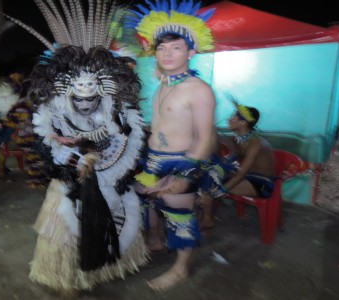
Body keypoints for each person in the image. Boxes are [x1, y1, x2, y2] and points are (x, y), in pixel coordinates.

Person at [6, 1, 149, 296]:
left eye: (93, 83)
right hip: (72, 179)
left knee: (117, 216)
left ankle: (108, 268)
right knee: (68, 224)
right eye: (78, 84)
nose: (85, 95)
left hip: (110, 175)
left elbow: (129, 139)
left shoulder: (118, 107)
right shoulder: (52, 110)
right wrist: (72, 163)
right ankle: (66, 276)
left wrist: (112, 161)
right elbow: (47, 145)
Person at [128, 0, 218, 291]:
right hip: (154, 158)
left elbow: (206, 138)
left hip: (183, 161)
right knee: (145, 197)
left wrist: (184, 177)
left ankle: (180, 269)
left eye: (176, 48)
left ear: (191, 52)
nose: (167, 54)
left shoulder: (199, 90)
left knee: (180, 216)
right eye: (162, 48)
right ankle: (155, 239)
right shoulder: (163, 81)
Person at [198, 104, 276, 231]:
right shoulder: (238, 138)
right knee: (209, 174)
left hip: (262, 183)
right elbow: (237, 155)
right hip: (248, 177)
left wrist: (217, 193)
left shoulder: (256, 143)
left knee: (212, 184)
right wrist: (224, 162)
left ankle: (207, 220)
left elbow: (241, 174)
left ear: (242, 123)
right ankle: (205, 217)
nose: (229, 119)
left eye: (233, 117)